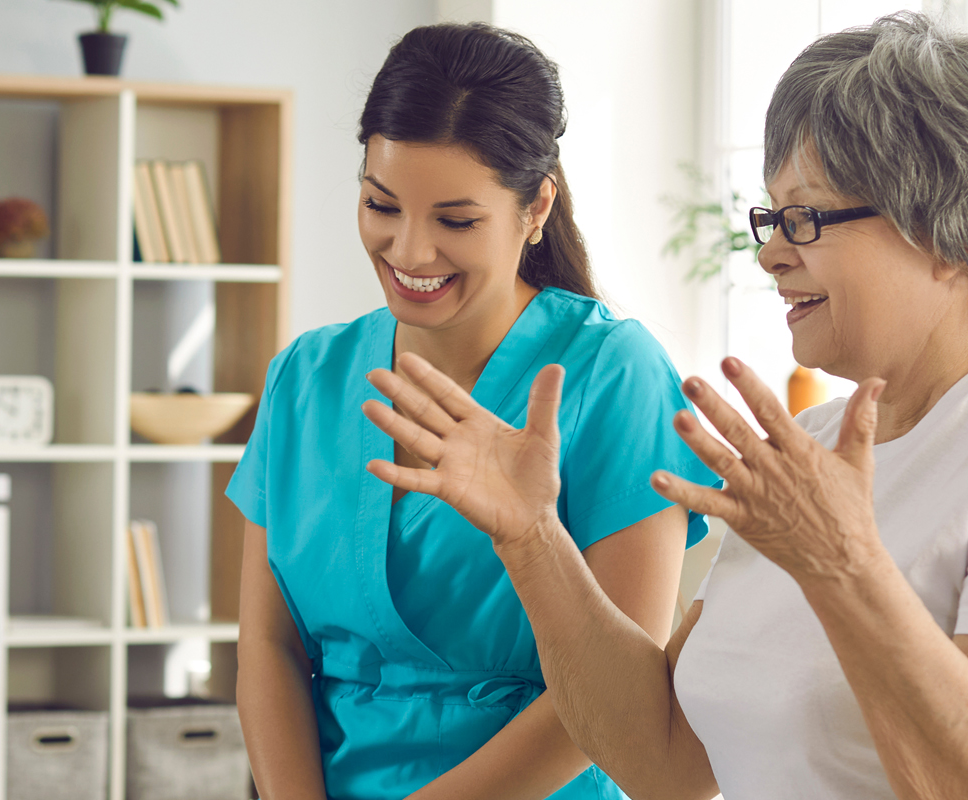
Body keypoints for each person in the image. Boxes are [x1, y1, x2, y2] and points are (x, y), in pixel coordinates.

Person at [362, 12, 968, 800]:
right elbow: (667, 761)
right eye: (770, 215)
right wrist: (532, 539)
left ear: (950, 230)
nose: (767, 254)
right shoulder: (809, 445)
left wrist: (842, 567)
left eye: (806, 218)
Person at [230, 23, 718, 800]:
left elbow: (617, 681)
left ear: (534, 209)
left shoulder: (612, 373)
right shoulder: (305, 376)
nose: (409, 251)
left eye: (455, 221)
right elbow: (266, 644)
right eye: (380, 204)